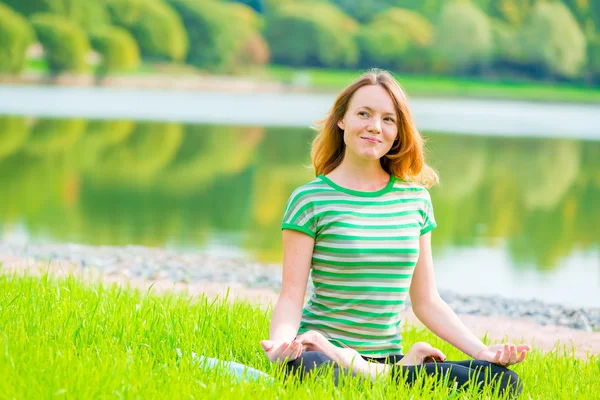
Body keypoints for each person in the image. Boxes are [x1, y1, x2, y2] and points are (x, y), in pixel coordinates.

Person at [260, 69, 529, 396]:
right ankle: (392, 375)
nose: (375, 126)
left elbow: (427, 301)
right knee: (309, 370)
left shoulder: (415, 200)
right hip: (320, 353)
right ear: (341, 120)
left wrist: (481, 352)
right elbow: (291, 295)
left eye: (389, 119)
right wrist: (282, 344)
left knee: (503, 381)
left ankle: (386, 374)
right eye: (364, 114)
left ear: (398, 132)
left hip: (387, 355)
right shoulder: (310, 199)